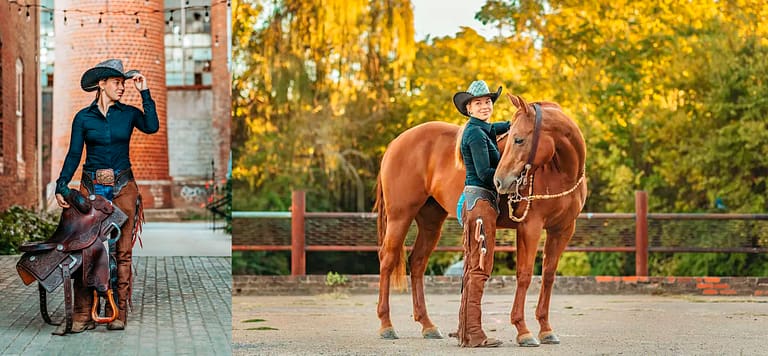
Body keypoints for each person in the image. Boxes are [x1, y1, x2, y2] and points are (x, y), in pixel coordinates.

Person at [54, 58, 159, 334]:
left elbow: (152, 126)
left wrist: (144, 91)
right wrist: (61, 184)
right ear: (102, 84)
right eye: (117, 82)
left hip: (123, 188)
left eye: (123, 82)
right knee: (86, 249)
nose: (122, 87)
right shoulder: (83, 118)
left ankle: (118, 313)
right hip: (91, 188)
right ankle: (82, 314)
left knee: (122, 252)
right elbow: (74, 154)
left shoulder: (129, 114)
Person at [452, 80, 509, 347]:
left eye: (488, 102)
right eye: (479, 103)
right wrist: (512, 178)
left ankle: (465, 329)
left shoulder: (482, 129)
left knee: (472, 265)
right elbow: (487, 174)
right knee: (480, 267)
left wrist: (519, 121)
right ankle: (473, 333)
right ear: (469, 108)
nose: (485, 106)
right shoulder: (475, 134)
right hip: (481, 203)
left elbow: (499, 127)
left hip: (479, 202)